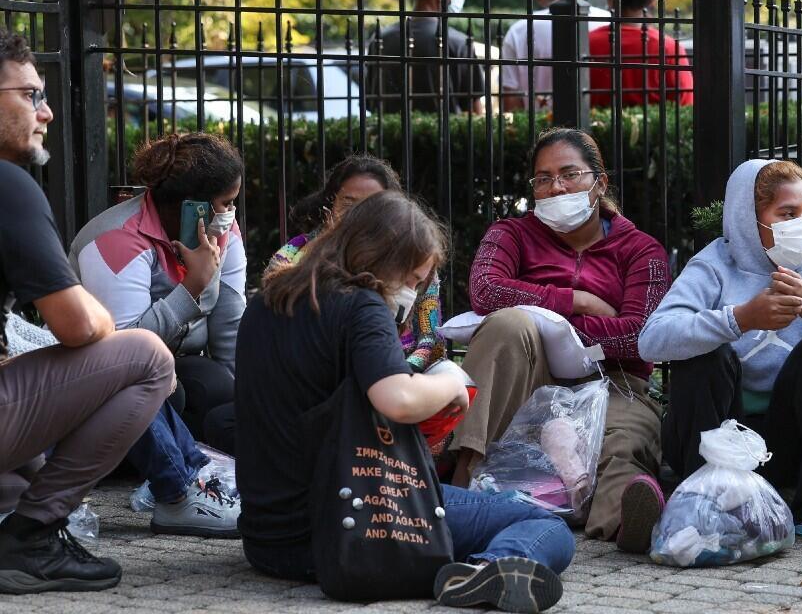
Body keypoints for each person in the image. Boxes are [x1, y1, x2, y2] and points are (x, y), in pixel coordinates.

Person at [236, 190, 572, 612]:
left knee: (496, 510)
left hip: (267, 540)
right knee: (540, 522)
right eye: (413, 280)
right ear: (384, 258)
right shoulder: (361, 304)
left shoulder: (268, 300)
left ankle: (460, 563)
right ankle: (487, 569)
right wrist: (450, 381)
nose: (411, 293)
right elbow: (398, 400)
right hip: (347, 528)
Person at [0, 29, 173, 593]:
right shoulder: (8, 185)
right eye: (30, 95)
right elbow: (78, 327)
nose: (46, 112)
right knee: (148, 357)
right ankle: (33, 537)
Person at [640, 159, 802, 548]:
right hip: (718, 439)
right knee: (705, 357)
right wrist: (740, 318)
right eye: (786, 214)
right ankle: (704, 505)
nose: (800, 225)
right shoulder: (714, 265)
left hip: (786, 442)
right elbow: (652, 340)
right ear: (748, 218)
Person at [453, 128, 670, 553]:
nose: (556, 187)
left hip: (615, 384)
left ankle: (624, 520)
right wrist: (577, 301)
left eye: (569, 174)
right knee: (506, 323)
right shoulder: (510, 234)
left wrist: (566, 331)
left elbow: (640, 333)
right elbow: (487, 291)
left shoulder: (642, 250)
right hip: (528, 379)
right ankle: (465, 482)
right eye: (543, 178)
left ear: (600, 183)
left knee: (622, 444)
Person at [69, 132, 245, 537]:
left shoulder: (221, 233)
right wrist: (191, 289)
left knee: (219, 387)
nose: (231, 214)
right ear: (192, 207)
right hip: (101, 383)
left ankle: (197, 467)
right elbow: (122, 351)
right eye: (225, 203)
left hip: (172, 365)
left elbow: (231, 327)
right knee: (161, 386)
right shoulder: (115, 240)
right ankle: (177, 488)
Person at [268, 155, 448, 442]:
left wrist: (406, 373)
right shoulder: (292, 264)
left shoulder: (416, 262)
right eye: (349, 205)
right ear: (329, 207)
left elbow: (429, 338)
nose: (358, 218)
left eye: (371, 207)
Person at [372, 0, 486, 115]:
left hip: (391, 139)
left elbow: (372, 104)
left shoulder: (380, 40)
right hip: (446, 139)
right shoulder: (459, 43)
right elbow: (476, 116)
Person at [501, 0, 612, 112]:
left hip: (538, 128)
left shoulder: (519, 29)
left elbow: (511, 99)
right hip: (596, 125)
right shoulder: (607, 22)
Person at [588, 0, 693, 108]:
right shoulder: (669, 49)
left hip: (592, 131)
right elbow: (685, 109)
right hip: (657, 132)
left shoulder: (587, 44)